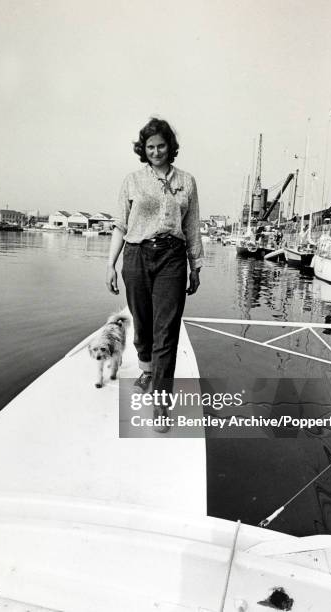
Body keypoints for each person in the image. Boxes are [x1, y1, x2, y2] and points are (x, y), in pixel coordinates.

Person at [106, 118, 203, 433]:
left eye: (161, 145)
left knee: (167, 331)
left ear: (170, 147)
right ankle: (146, 368)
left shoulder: (187, 182)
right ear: (143, 150)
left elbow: (191, 227)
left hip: (172, 258)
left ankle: (161, 401)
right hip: (136, 255)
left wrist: (196, 266)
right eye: (150, 147)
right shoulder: (132, 180)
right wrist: (111, 264)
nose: (156, 151)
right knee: (143, 324)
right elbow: (120, 224)